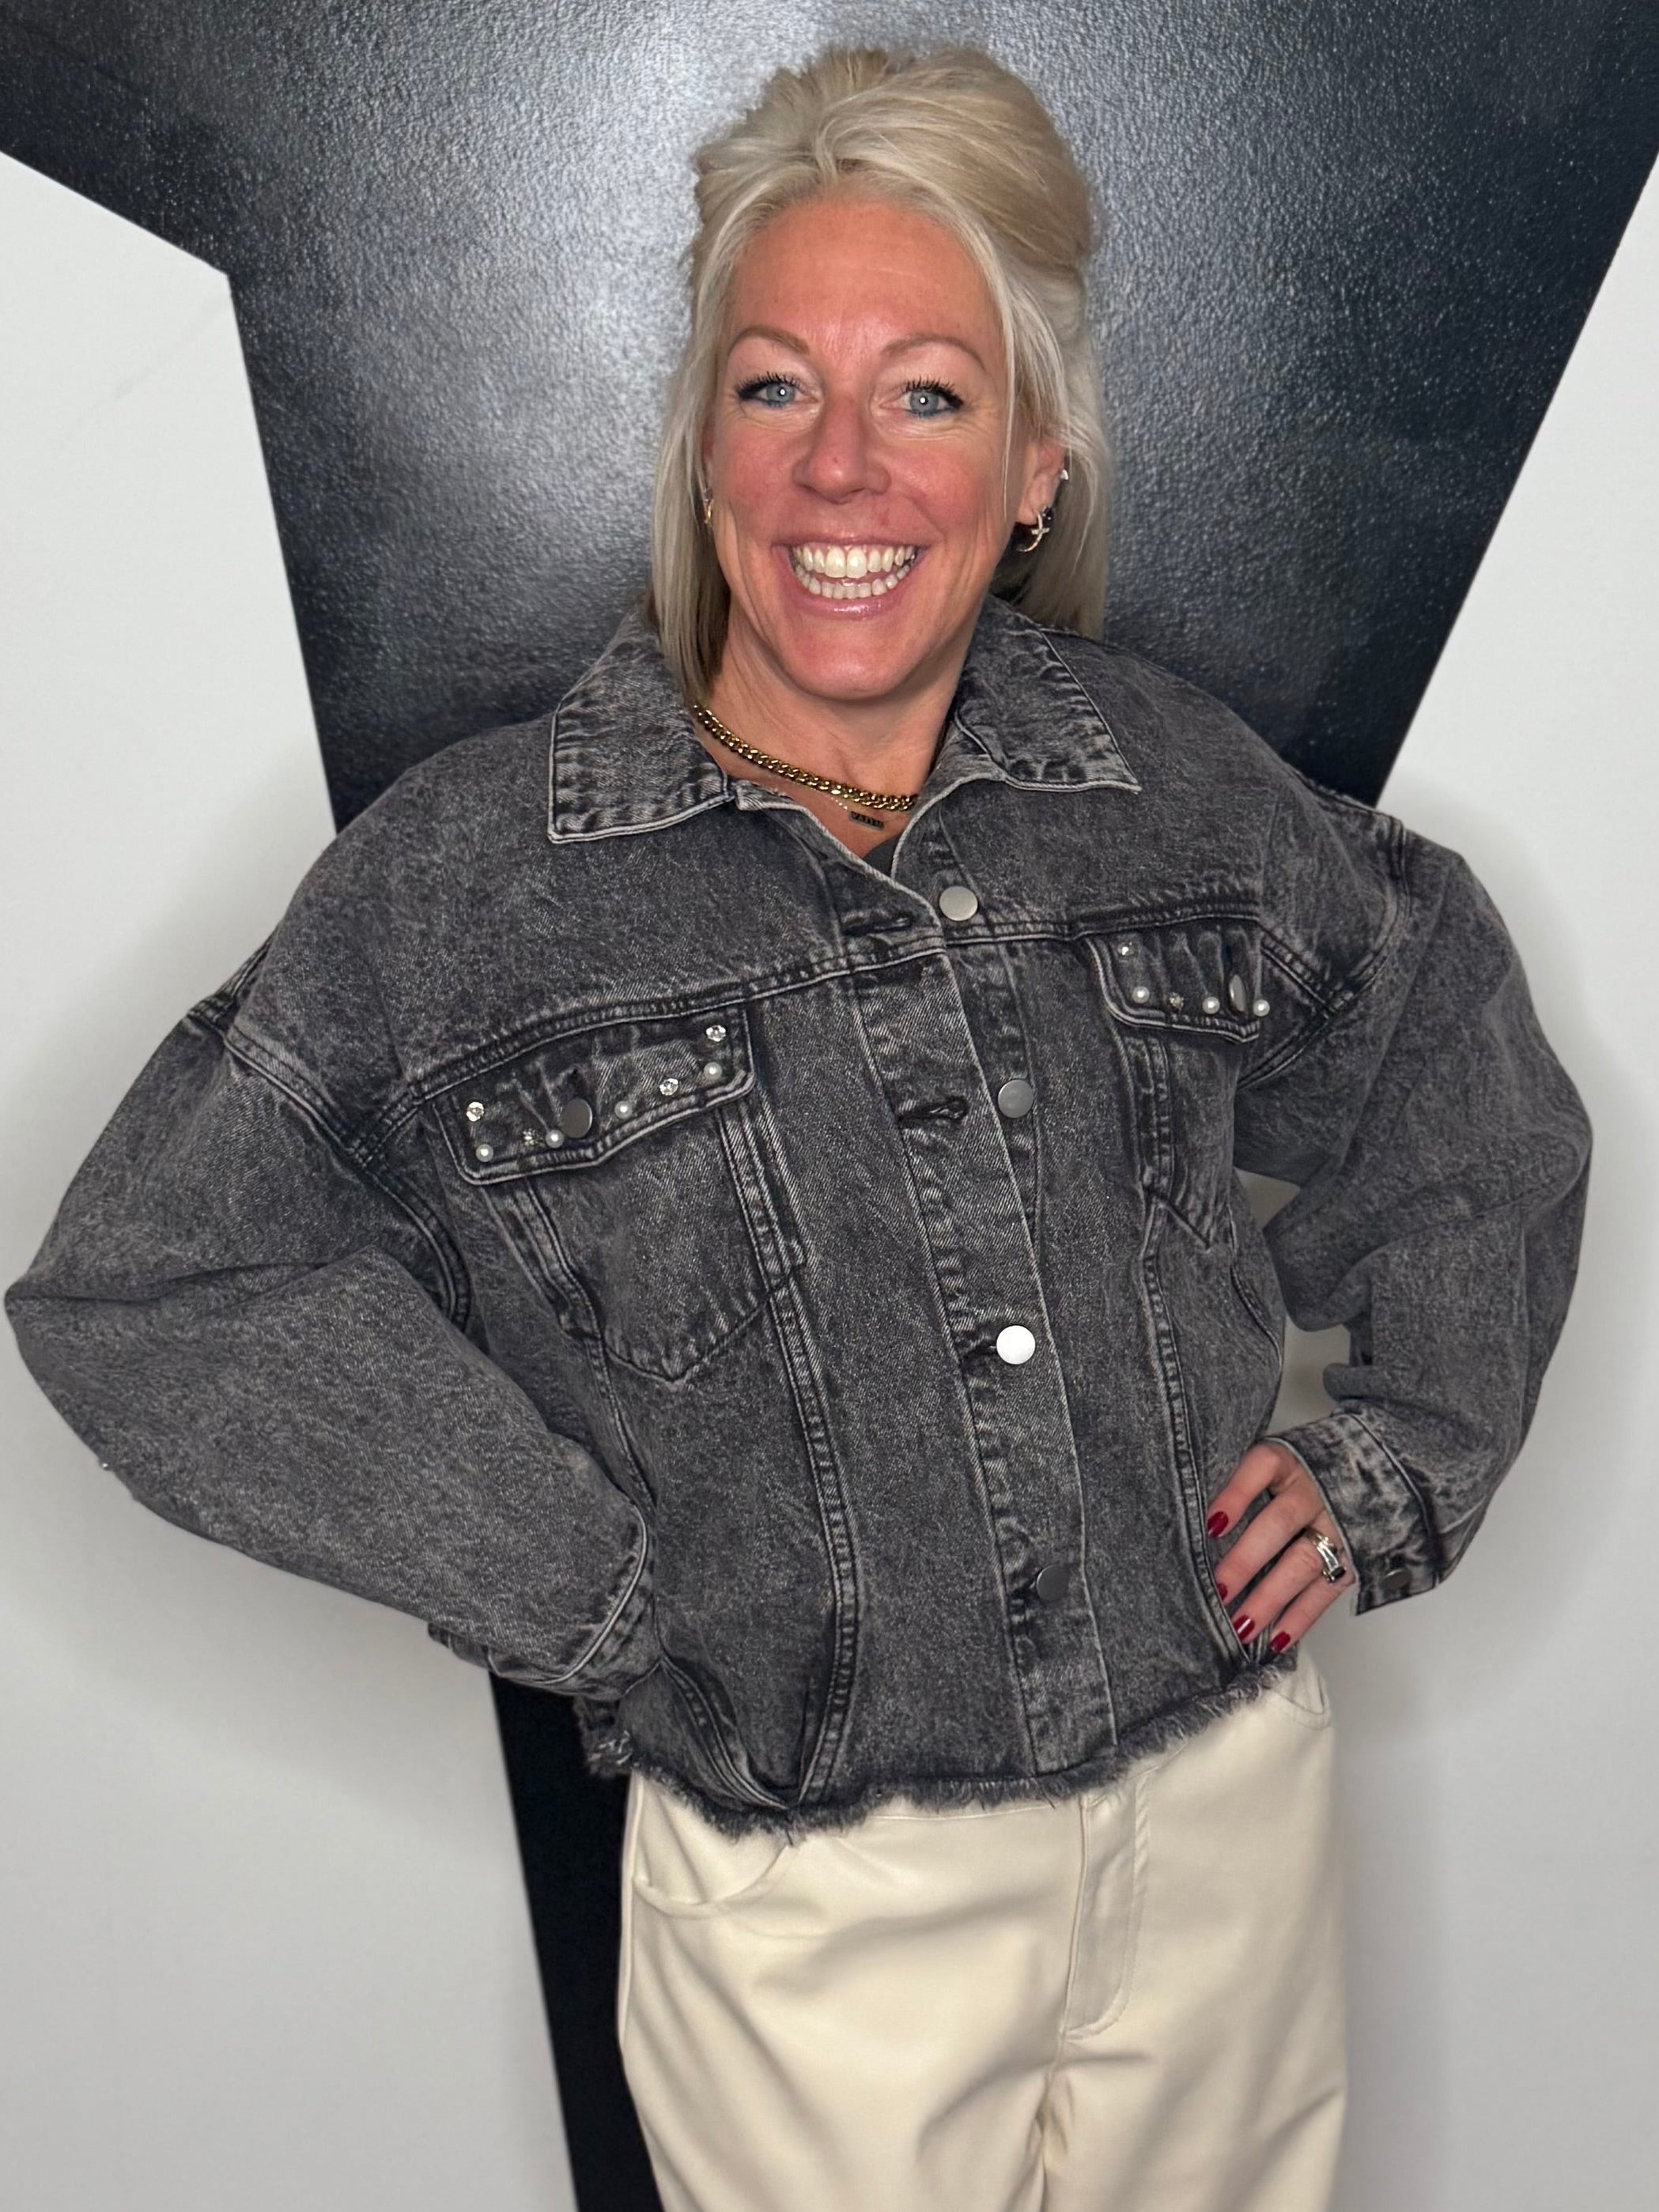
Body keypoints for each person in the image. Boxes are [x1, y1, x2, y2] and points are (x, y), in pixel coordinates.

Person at [6, 41, 1590, 2212]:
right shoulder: (474, 887)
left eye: (927, 395)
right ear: (699, 444)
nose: (843, 468)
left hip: (1227, 1824)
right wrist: (578, 1582)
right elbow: (157, 1283)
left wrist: (1389, 1464)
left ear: (1033, 466)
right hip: (815, 1911)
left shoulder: (1173, 795)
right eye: (774, 387)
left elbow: (1442, 1053)